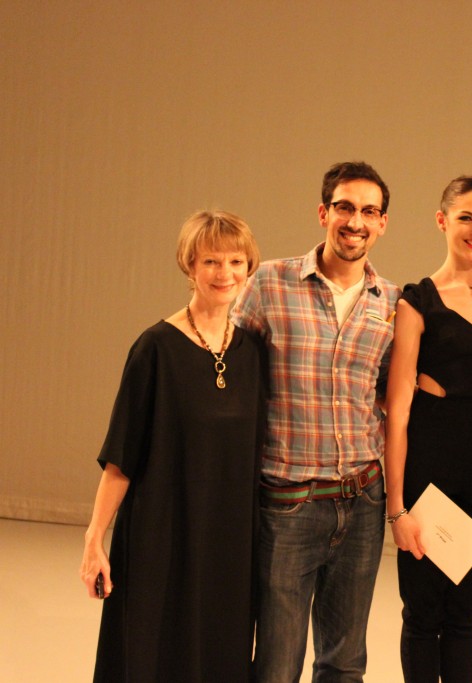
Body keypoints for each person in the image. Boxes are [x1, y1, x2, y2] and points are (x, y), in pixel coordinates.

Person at [232, 162, 399, 682]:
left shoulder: (391, 302)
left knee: (345, 662)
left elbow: (392, 392)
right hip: (289, 501)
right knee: (277, 664)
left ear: (383, 223)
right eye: (345, 208)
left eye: (369, 211)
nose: (356, 222)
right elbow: (227, 368)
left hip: (363, 499)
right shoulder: (269, 283)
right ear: (323, 213)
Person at [80, 210, 264, 682]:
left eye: (235, 262)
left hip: (228, 542)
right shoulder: (155, 348)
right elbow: (121, 456)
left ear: (249, 267)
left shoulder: (252, 352)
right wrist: (94, 539)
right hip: (161, 537)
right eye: (211, 262)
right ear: (190, 266)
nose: (225, 274)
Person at [384, 176, 472, 682]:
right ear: (442, 221)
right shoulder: (416, 301)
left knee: (467, 615)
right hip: (429, 467)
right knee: (423, 614)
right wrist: (396, 507)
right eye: (465, 217)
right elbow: (396, 412)